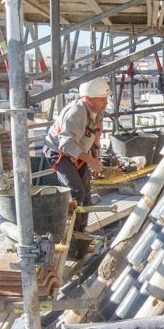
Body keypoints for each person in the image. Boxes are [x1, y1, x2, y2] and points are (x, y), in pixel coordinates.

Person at [42, 77, 111, 236]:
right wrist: (91, 161)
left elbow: (94, 136)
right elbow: (65, 144)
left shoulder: (98, 111)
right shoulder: (77, 112)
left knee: (86, 193)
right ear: (88, 99)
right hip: (60, 153)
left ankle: (81, 231)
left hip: (80, 152)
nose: (105, 103)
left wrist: (95, 157)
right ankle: (70, 234)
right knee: (76, 191)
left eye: (106, 98)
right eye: (101, 99)